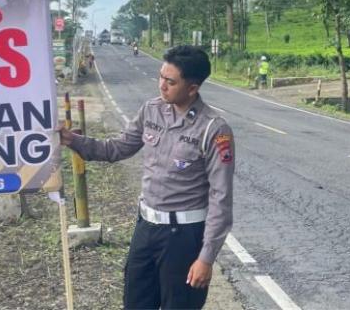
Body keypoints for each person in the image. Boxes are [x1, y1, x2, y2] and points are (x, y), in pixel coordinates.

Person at [59, 45, 234, 309]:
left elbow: (221, 199)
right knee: (135, 303)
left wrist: (206, 258)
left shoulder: (213, 129)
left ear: (193, 88)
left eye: (170, 81)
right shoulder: (151, 110)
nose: (161, 85)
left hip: (183, 237)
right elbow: (117, 148)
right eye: (161, 77)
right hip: (146, 228)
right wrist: (73, 140)